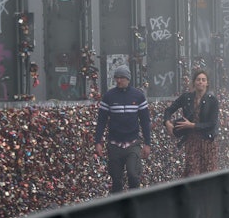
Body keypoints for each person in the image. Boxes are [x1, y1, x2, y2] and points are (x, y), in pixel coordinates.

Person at [94, 64, 152, 192]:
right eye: (117, 77)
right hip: (114, 144)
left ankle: (134, 201)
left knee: (133, 174)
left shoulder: (138, 96)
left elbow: (145, 121)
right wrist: (98, 141)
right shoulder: (109, 96)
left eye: (122, 77)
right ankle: (118, 205)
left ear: (128, 79)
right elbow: (101, 121)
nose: (119, 80)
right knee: (116, 179)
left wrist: (147, 143)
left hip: (133, 143)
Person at [163, 68, 219, 177]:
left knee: (208, 174)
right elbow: (169, 110)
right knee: (193, 172)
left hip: (207, 142)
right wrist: (167, 122)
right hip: (191, 141)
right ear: (194, 82)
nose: (201, 82)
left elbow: (212, 123)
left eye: (203, 80)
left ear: (207, 83)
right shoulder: (186, 97)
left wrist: (192, 125)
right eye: (198, 79)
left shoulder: (212, 100)